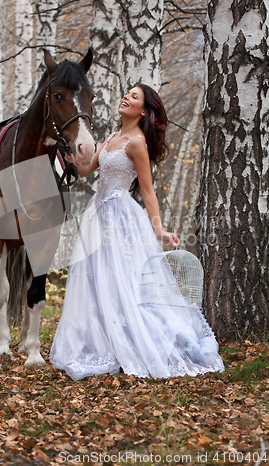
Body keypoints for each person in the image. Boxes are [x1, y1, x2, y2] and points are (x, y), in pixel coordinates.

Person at [49, 84, 224, 381]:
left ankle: (137, 339)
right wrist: (68, 155)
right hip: (97, 215)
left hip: (121, 216)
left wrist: (160, 230)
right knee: (98, 280)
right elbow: (86, 170)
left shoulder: (137, 142)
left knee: (126, 278)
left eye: (134, 96)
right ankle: (103, 340)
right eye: (126, 93)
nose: (126, 97)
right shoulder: (111, 138)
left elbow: (147, 190)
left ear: (143, 110)